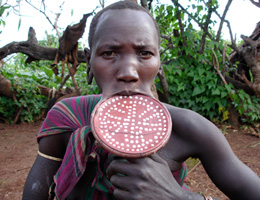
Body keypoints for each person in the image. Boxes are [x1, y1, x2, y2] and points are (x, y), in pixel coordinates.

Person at [22, 1, 260, 200]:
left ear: (159, 62)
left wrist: (181, 198)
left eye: (144, 53)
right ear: (90, 61)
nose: (128, 72)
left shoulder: (190, 128)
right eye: (109, 53)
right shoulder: (67, 117)